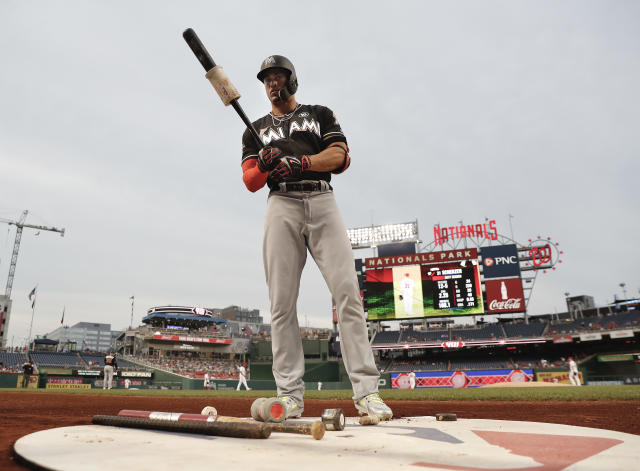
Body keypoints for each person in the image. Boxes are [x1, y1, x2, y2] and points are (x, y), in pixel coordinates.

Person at [240, 55, 392, 420]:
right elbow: (249, 181)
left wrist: (302, 162)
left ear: (292, 80)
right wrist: (264, 164)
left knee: (348, 295)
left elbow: (340, 156)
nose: (273, 84)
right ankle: (289, 395)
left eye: (278, 77)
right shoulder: (255, 130)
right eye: (267, 79)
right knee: (281, 303)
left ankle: (368, 394)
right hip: (281, 204)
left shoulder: (319, 113)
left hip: (322, 198)